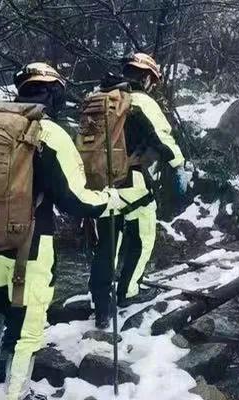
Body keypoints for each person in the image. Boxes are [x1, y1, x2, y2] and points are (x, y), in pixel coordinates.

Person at [0, 62, 124, 400]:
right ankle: (16, 392)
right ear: (54, 93)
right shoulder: (48, 132)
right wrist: (107, 201)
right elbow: (73, 198)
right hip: (29, 242)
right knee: (29, 319)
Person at [89, 53, 188, 329]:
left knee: (107, 244)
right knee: (142, 233)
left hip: (98, 183)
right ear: (146, 76)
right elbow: (162, 137)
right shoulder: (141, 100)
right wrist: (179, 166)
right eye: (152, 79)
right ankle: (128, 291)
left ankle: (101, 305)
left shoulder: (99, 98)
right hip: (131, 181)